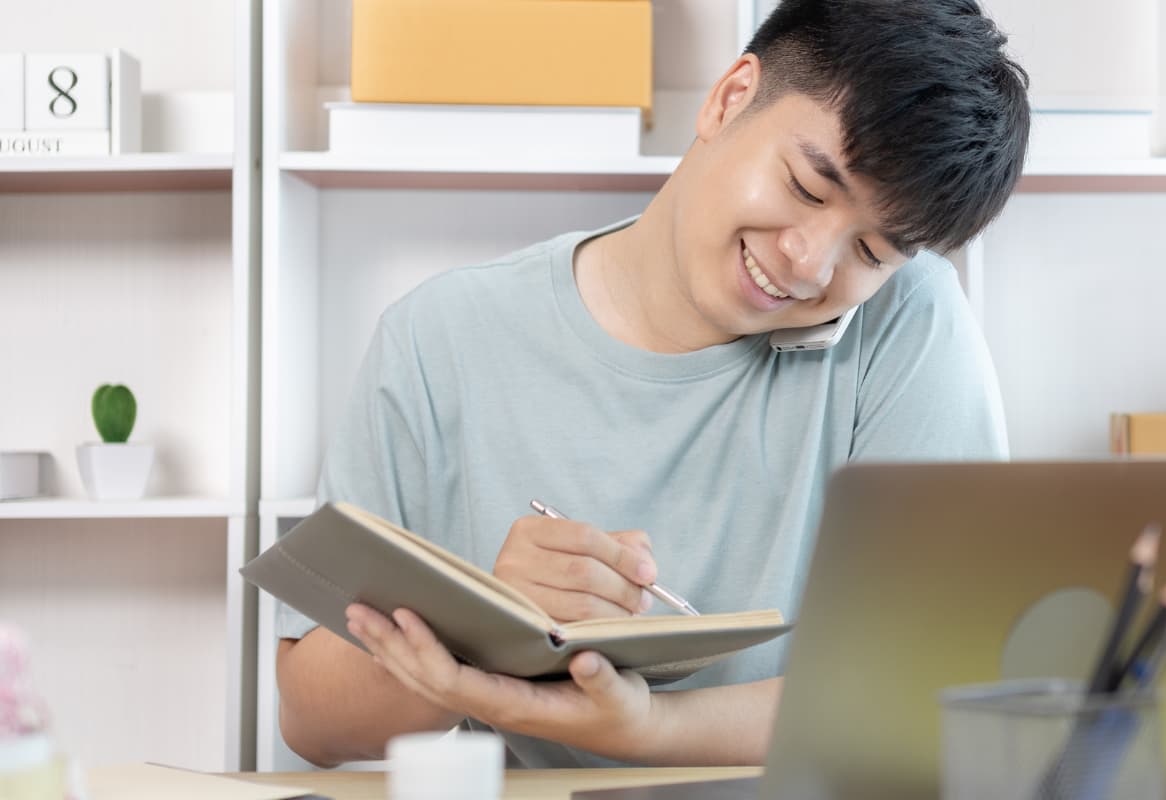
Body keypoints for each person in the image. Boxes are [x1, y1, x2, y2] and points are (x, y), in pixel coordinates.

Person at [272, 0, 1030, 769]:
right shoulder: (442, 335)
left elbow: (938, 688)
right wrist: (490, 629)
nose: (809, 262)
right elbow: (310, 718)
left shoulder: (906, 320)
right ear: (730, 97)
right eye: (806, 187)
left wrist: (650, 729)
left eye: (869, 251)